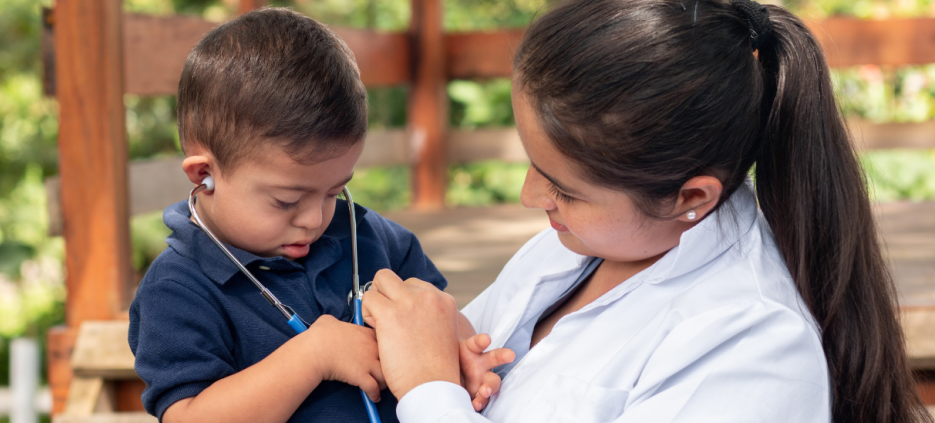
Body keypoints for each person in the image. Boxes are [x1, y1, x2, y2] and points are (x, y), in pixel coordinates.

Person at [362, 0, 934, 422]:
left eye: (565, 187)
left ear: (691, 198)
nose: (531, 197)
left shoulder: (751, 346)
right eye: (533, 164)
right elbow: (452, 348)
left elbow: (433, 380)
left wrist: (430, 391)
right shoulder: (571, 249)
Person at [126, 8, 450, 423]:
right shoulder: (178, 290)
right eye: (286, 200)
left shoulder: (372, 239)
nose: (314, 219)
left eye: (334, 191)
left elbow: (438, 314)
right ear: (206, 175)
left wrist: (461, 350)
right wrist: (315, 355)